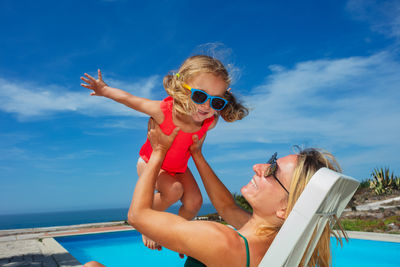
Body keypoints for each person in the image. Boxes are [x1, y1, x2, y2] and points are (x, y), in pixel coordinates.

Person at [85, 119, 345, 267]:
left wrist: (158, 152)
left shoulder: (222, 240)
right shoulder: (280, 243)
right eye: (271, 159)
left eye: (272, 170)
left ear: (285, 210)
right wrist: (196, 154)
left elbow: (138, 215)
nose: (259, 166)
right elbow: (226, 207)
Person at [80, 55, 249, 250]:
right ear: (181, 87)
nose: (206, 105)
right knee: (174, 190)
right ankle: (149, 226)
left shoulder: (209, 121)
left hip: (178, 167)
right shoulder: (164, 111)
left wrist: (222, 100)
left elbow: (214, 113)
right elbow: (130, 100)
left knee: (195, 203)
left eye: (216, 101)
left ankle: (172, 234)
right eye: (200, 96)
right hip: (152, 162)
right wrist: (104, 90)